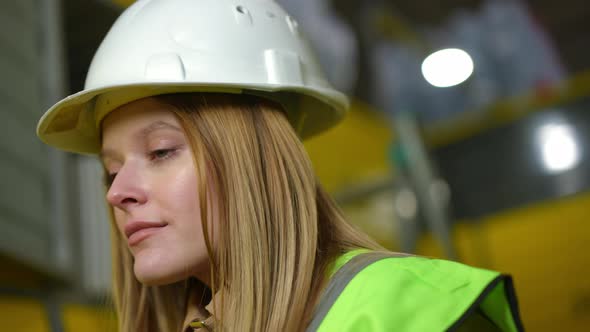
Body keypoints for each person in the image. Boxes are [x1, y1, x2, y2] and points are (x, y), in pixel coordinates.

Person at [37, 0, 523, 331]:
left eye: (161, 151)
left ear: (254, 159)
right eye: (111, 169)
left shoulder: (411, 312)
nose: (116, 192)